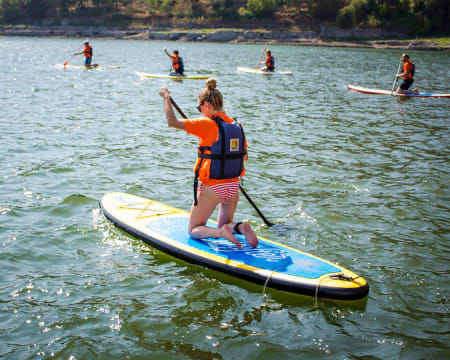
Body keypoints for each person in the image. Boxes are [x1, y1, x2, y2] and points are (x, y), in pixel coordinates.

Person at [158, 78, 258, 248]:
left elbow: (172, 122)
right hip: (233, 187)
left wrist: (166, 98)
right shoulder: (237, 126)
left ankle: (220, 233)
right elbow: (244, 157)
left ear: (207, 105)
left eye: (199, 108)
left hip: (212, 187)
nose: (200, 111)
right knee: (225, 225)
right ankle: (239, 227)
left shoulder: (207, 124)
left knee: (194, 230)